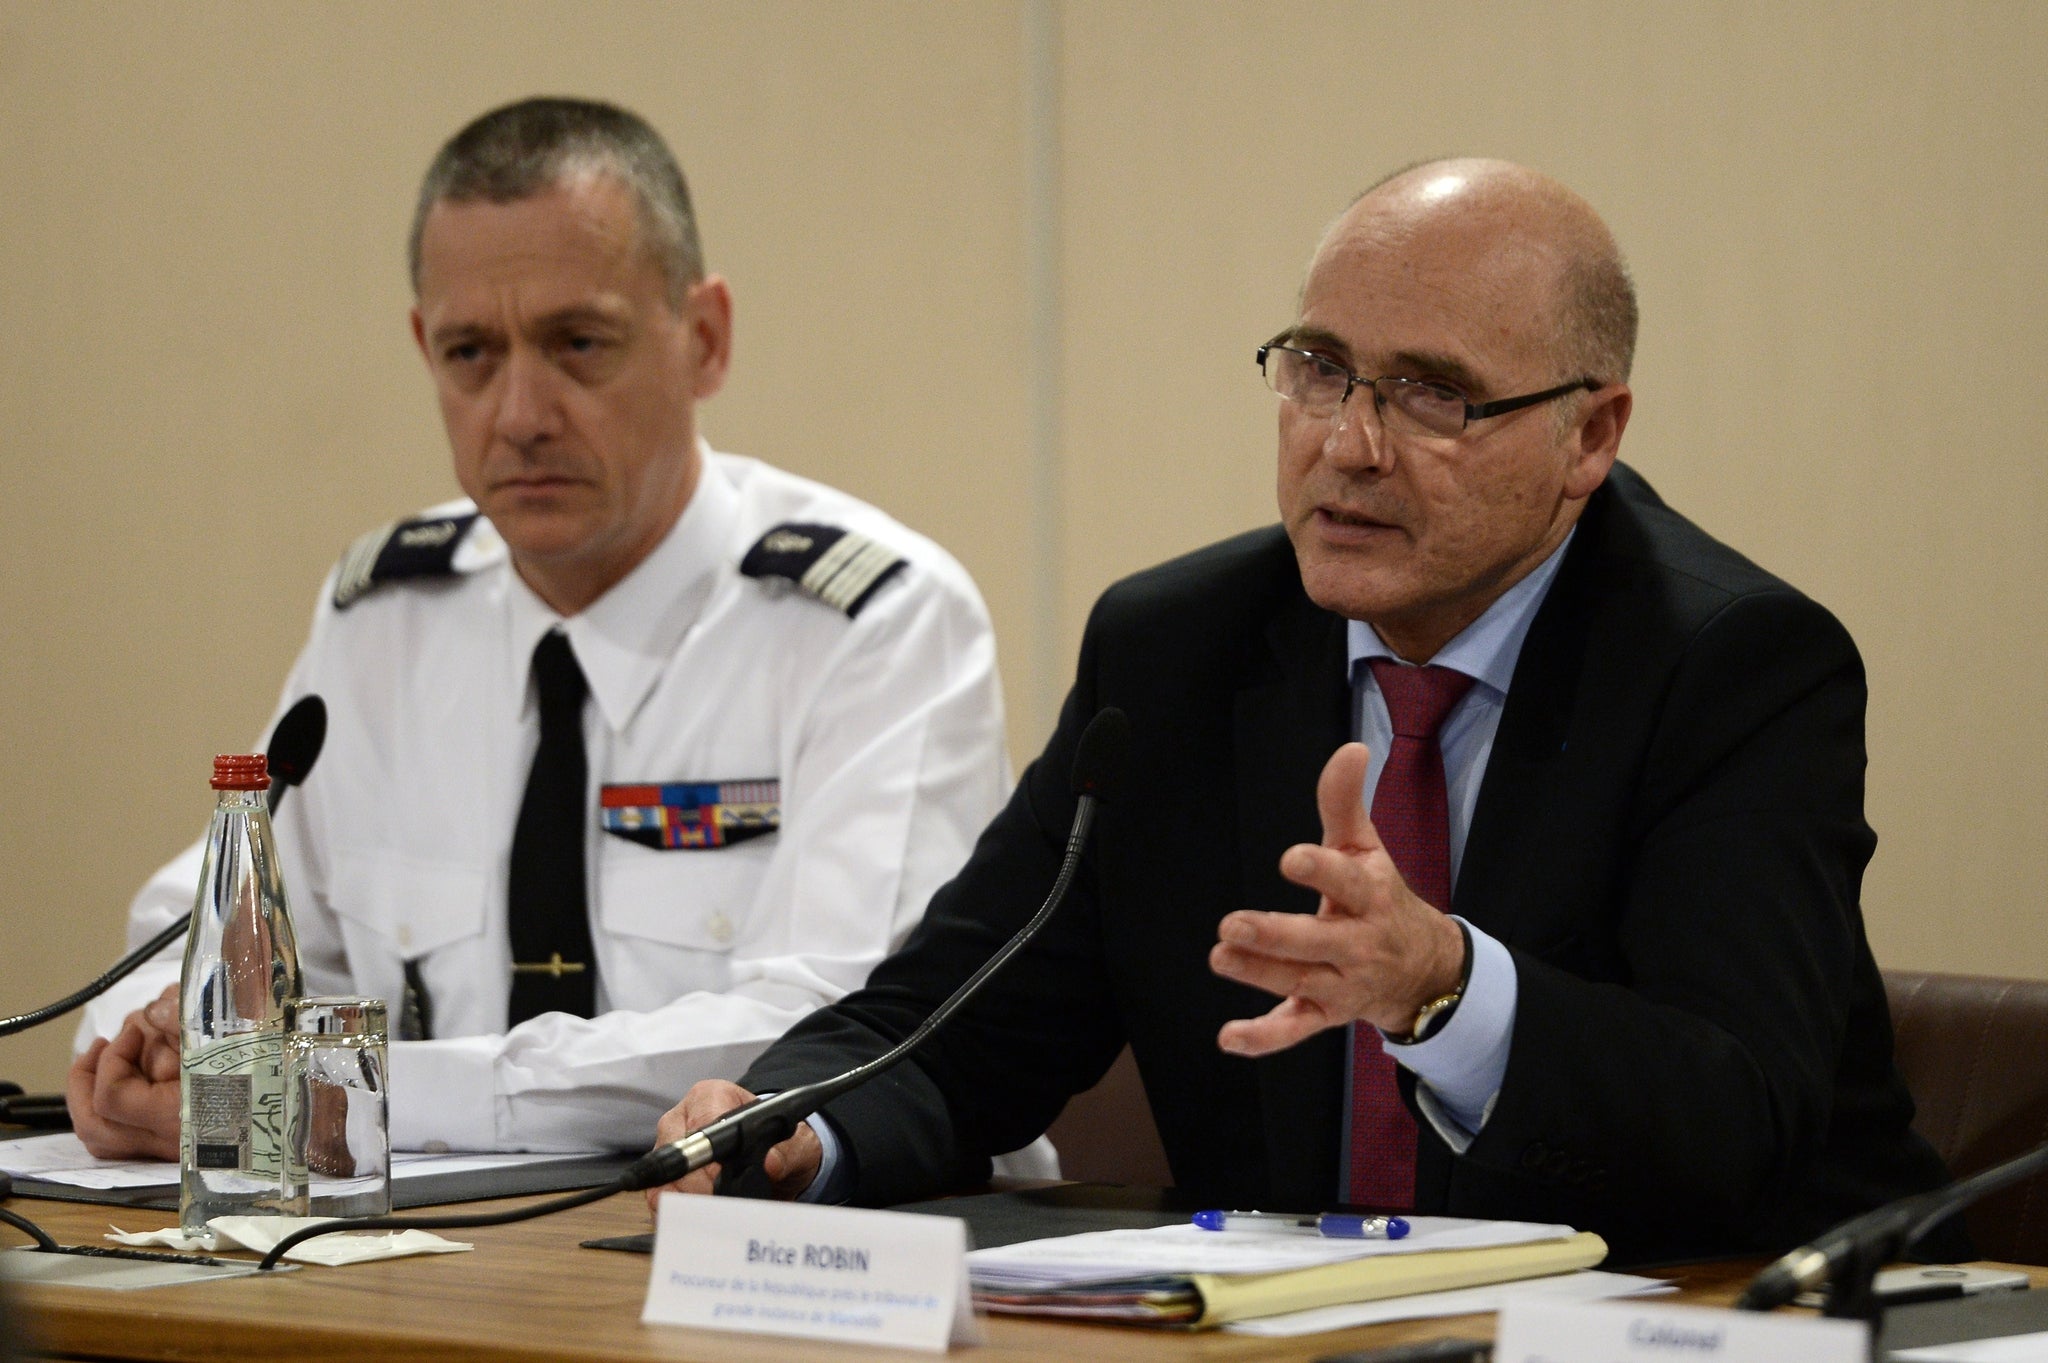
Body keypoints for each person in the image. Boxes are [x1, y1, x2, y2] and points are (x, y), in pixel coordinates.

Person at [653, 158, 1953, 1264]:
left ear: (1590, 436)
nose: (1348, 442)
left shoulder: (1736, 667)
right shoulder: (1173, 653)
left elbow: (1739, 1115)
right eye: (1320, 369)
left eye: (1433, 393)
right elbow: (955, 1024)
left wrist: (1445, 988)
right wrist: (788, 1120)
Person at [66, 97, 1044, 1167]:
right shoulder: (385, 619)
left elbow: (834, 1027)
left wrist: (357, 1096)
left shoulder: (872, 621)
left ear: (704, 338)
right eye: (470, 353)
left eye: (578, 344)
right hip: (447, 1257)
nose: (520, 411)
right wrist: (161, 1031)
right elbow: (213, 910)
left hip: (786, 1261)